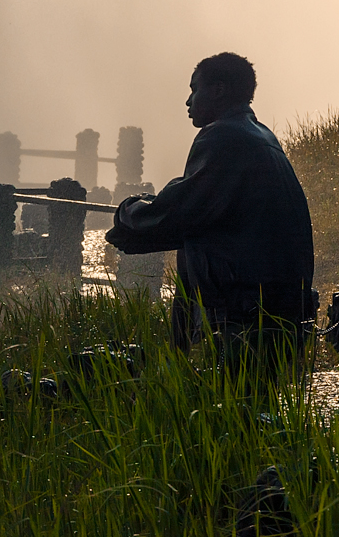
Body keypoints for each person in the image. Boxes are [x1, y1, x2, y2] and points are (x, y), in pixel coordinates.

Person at [106, 52, 314, 380]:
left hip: (245, 316)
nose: (188, 100)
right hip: (281, 309)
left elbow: (177, 211)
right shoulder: (262, 137)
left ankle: (176, 366)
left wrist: (129, 212)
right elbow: (202, 207)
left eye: (194, 89)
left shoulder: (222, 137)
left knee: (233, 411)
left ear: (218, 90)